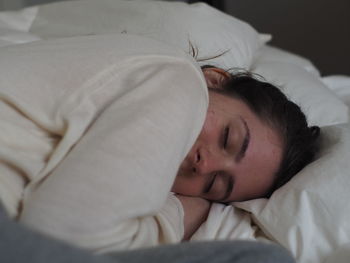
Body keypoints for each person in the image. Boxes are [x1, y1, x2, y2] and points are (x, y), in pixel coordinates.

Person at [0, 33, 316, 261]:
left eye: (214, 184)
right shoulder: (179, 81)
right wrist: (179, 213)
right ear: (214, 79)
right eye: (228, 138)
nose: (203, 165)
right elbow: (67, 236)